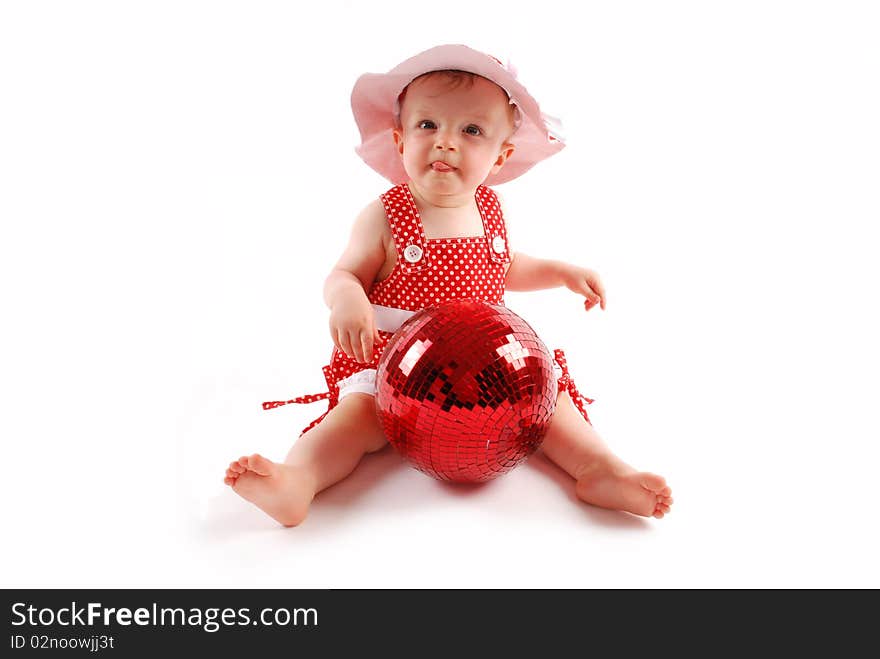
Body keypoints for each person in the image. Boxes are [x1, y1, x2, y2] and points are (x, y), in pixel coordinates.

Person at [224, 44, 673, 526]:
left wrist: (560, 272)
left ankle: (599, 469)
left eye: (471, 130)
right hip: (397, 368)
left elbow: (506, 267)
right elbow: (343, 273)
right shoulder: (386, 215)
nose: (445, 142)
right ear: (399, 139)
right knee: (352, 423)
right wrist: (349, 299)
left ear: (500, 157)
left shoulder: (489, 209)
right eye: (427, 125)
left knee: (551, 405)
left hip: (490, 374)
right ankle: (299, 479)